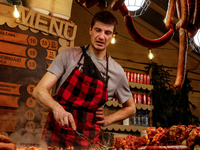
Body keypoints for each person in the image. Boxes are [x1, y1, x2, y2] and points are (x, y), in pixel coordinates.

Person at [32, 10, 136, 149]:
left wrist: (108, 119)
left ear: (112, 36)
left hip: (88, 138)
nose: (101, 36)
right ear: (90, 30)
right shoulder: (69, 55)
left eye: (107, 32)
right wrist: (56, 107)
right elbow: (39, 90)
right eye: (98, 30)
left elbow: (131, 108)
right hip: (56, 132)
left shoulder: (117, 71)